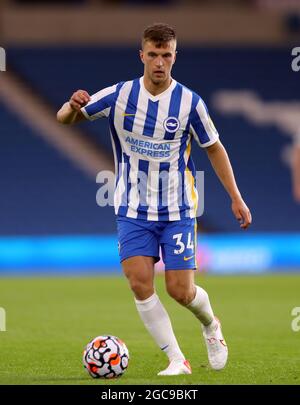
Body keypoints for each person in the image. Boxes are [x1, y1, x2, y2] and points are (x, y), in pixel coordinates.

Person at [57, 23, 252, 376]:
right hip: (132, 208)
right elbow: (64, 118)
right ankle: (177, 359)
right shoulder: (119, 95)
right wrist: (72, 106)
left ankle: (210, 325)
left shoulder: (191, 103)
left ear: (174, 56)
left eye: (166, 55)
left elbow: (215, 149)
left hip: (178, 208)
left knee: (180, 290)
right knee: (139, 282)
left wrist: (235, 198)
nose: (159, 62)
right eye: (153, 55)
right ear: (142, 55)